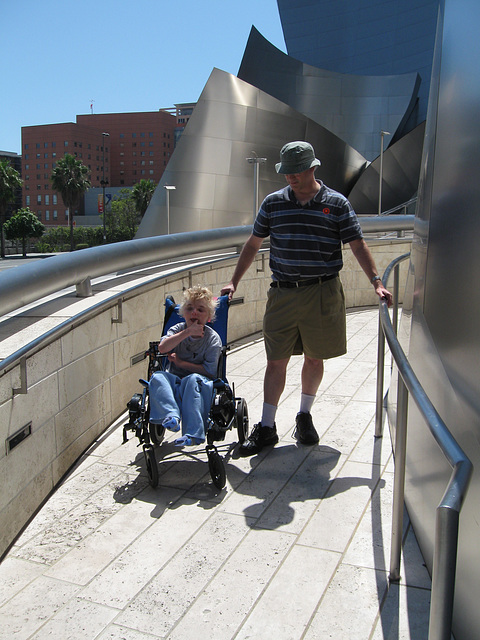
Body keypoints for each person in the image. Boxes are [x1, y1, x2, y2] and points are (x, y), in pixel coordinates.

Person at [221, 141, 392, 456]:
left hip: (322, 291)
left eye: (295, 171)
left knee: (315, 357)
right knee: (276, 360)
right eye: (286, 172)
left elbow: (357, 244)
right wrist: (233, 282)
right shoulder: (273, 203)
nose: (290, 178)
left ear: (312, 168)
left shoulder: (336, 204)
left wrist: (376, 282)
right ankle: (268, 426)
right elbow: (252, 244)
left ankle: (304, 416)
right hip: (282, 292)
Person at [148, 285, 222, 446]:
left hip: (200, 384)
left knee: (192, 379)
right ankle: (171, 416)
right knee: (157, 377)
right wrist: (187, 332)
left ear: (208, 317)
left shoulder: (212, 339)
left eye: (200, 310)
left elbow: (210, 372)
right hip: (175, 381)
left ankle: (193, 434)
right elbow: (162, 348)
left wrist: (182, 363)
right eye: (189, 308)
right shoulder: (178, 330)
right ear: (183, 313)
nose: (194, 312)